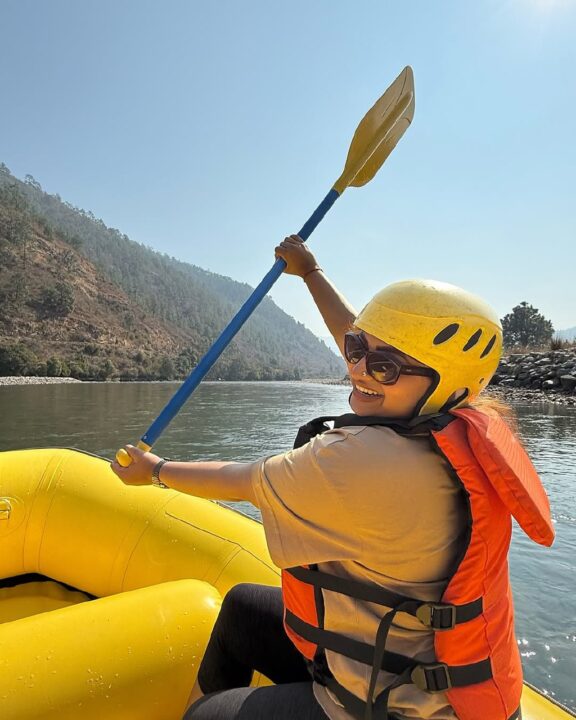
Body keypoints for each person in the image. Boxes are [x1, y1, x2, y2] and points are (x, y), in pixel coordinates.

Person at [112, 236, 554, 720]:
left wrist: (154, 472)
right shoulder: (456, 418)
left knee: (207, 716)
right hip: (429, 671)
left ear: (442, 382)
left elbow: (244, 480)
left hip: (400, 708)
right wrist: (311, 272)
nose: (359, 368)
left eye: (382, 364)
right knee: (242, 609)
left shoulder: (362, 462)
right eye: (357, 348)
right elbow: (374, 349)